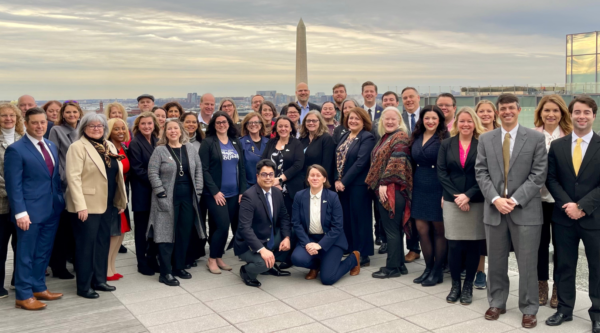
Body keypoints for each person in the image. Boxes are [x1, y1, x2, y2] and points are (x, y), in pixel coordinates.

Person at [475, 93, 547, 329]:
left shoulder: (536, 138)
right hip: (494, 209)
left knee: (527, 262)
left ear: (519, 110)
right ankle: (497, 301)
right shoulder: (486, 139)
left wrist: (514, 200)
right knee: (495, 261)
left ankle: (529, 308)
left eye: (511, 108)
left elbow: (538, 176)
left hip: (525, 210)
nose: (507, 112)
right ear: (498, 112)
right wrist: (496, 199)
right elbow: (481, 173)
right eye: (502, 108)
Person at [545, 96, 600, 333]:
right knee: (564, 266)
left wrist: (583, 206)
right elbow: (551, 178)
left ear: (594, 116)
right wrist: (568, 204)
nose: (581, 116)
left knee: (597, 268)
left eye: (586, 112)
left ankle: (597, 315)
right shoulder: (557, 146)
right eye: (577, 112)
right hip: (563, 218)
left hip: (594, 218)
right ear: (571, 115)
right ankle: (564, 310)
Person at [5, 107, 65, 310]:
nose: (40, 126)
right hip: (29, 213)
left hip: (51, 209)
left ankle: (39, 287)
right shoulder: (16, 149)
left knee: (43, 252)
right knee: (25, 253)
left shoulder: (50, 145)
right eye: (35, 122)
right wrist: (20, 212)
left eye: (43, 122)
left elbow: (53, 178)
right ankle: (23, 294)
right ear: (26, 123)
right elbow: (14, 185)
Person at [65, 113, 127, 299]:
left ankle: (99, 280)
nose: (96, 128)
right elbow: (73, 178)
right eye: (92, 126)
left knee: (102, 243)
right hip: (86, 205)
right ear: (83, 128)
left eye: (100, 126)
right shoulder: (77, 147)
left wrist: (120, 200)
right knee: (86, 246)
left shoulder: (107, 145)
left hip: (107, 203)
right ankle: (84, 286)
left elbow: (116, 175)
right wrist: (80, 206)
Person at [148, 120, 205, 286]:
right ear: (165, 132)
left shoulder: (190, 149)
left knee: (183, 232)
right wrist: (161, 193)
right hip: (166, 199)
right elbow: (152, 172)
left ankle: (179, 266)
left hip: (188, 198)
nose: (173, 131)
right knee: (165, 234)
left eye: (175, 128)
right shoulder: (159, 150)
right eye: (169, 129)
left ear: (181, 131)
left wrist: (199, 192)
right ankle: (165, 272)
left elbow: (198, 170)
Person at [437, 107, 486, 305]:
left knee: (474, 245)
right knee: (455, 245)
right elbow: (441, 172)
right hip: (452, 200)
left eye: (469, 121)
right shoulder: (447, 144)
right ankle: (455, 284)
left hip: (476, 201)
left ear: (475, 123)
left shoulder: (482, 144)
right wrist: (458, 197)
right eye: (462, 121)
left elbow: (486, 173)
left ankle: (468, 286)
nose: (465, 125)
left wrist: (468, 196)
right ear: (456, 123)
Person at [533, 95, 572, 308]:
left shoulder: (570, 136)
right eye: (547, 110)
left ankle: (559, 286)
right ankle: (541, 285)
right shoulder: (531, 135)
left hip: (561, 201)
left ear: (562, 114)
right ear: (540, 113)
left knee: (561, 246)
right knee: (539, 246)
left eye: (555, 111)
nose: (551, 114)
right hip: (536, 201)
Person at [291, 165, 361, 284]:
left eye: (318, 175)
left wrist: (320, 245)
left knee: (328, 279)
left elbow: (337, 227)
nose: (315, 178)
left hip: (332, 240)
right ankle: (318, 265)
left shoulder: (332, 197)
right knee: (297, 258)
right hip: (310, 238)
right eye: (312, 175)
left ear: (324, 179)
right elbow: (296, 223)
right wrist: (307, 243)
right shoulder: (299, 196)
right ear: (307, 178)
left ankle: (353, 259)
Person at [365, 107, 412, 278]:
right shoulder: (386, 137)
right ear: (382, 121)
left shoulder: (400, 138)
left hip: (392, 192)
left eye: (394, 119)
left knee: (391, 229)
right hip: (388, 189)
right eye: (387, 119)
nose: (390, 122)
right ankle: (399, 265)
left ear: (399, 121)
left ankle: (391, 267)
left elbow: (396, 161)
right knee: (395, 229)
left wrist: (384, 182)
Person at [200, 111, 247, 273]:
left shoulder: (235, 142)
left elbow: (241, 167)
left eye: (224, 122)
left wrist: (242, 190)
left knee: (216, 226)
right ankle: (211, 259)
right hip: (215, 194)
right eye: (218, 122)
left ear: (229, 124)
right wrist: (214, 192)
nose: (221, 124)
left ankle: (218, 256)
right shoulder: (208, 143)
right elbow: (204, 170)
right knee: (222, 225)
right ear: (213, 125)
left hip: (234, 193)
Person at [234, 159, 291, 287]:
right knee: (263, 264)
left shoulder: (277, 192)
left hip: (268, 236)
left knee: (291, 232)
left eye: (271, 174)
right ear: (257, 176)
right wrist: (261, 249)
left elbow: (285, 217)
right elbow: (245, 228)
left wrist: (287, 238)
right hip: (248, 243)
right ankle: (246, 271)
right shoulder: (249, 196)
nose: (268, 178)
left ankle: (271, 263)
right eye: (264, 174)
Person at [410, 105, 449, 287]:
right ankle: (428, 267)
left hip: (438, 186)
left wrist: (446, 193)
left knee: (439, 230)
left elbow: (449, 167)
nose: (430, 121)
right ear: (422, 120)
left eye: (434, 118)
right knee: (422, 229)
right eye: (427, 118)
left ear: (440, 120)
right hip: (419, 186)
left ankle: (438, 271)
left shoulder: (445, 138)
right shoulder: (416, 135)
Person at [261, 115, 305, 268]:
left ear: (291, 128)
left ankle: (289, 256)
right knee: (275, 221)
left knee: (291, 221)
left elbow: (299, 164)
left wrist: (280, 179)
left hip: (290, 190)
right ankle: (276, 252)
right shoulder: (271, 143)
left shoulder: (296, 144)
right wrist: (270, 180)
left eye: (286, 126)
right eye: (280, 126)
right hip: (272, 190)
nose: (283, 129)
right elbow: (263, 162)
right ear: (276, 128)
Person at [335, 107, 376, 266]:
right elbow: (337, 158)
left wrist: (343, 181)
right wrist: (336, 180)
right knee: (347, 218)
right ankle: (352, 249)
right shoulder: (345, 135)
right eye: (351, 118)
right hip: (342, 186)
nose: (353, 121)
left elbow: (361, 162)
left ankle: (363, 253)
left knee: (360, 219)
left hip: (358, 185)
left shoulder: (367, 137)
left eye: (357, 119)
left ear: (364, 121)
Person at [48, 101, 83, 279]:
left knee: (78, 228)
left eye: (74, 112)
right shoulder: (57, 130)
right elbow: (54, 157)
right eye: (68, 112)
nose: (71, 115)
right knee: (62, 229)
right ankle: (59, 267)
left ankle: (79, 263)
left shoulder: (84, 130)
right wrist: (65, 178)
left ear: (79, 113)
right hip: (64, 185)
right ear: (63, 114)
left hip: (82, 186)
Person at [472, 99, 500, 289]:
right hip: (477, 190)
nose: (485, 114)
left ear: (494, 113)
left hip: (499, 190)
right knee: (479, 234)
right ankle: (480, 271)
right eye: (481, 111)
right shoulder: (472, 136)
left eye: (488, 111)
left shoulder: (501, 134)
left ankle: (498, 272)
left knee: (499, 235)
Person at [128, 112, 160, 275]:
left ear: (154, 125)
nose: (147, 126)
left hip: (156, 193)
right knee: (142, 230)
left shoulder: (157, 141)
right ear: (138, 126)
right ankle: (142, 262)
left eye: (149, 123)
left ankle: (152, 258)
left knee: (154, 228)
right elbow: (138, 169)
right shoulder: (135, 143)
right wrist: (157, 181)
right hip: (143, 192)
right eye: (143, 124)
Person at [105, 118, 133, 281]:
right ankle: (106, 269)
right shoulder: (107, 147)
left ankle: (112, 266)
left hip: (123, 193)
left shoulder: (122, 147)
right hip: (113, 194)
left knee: (121, 232)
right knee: (113, 233)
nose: (121, 132)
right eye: (116, 129)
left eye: (123, 128)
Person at [0, 103, 23, 298]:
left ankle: (19, 279)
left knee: (21, 244)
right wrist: (13, 190)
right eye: (3, 116)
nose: (8, 119)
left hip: (21, 205)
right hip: (1, 203)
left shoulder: (22, 139)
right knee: (0, 246)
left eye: (11, 115)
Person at [299, 111, 336, 185]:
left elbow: (327, 165)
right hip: (303, 181)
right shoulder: (302, 139)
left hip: (319, 181)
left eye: (314, 121)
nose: (311, 123)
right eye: (308, 120)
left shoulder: (326, 139)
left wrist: (320, 181)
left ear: (320, 122)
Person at [240, 112, 269, 186]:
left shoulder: (269, 142)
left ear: (261, 124)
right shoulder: (240, 143)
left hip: (267, 184)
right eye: (250, 123)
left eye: (256, 122)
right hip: (248, 186)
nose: (253, 124)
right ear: (246, 126)